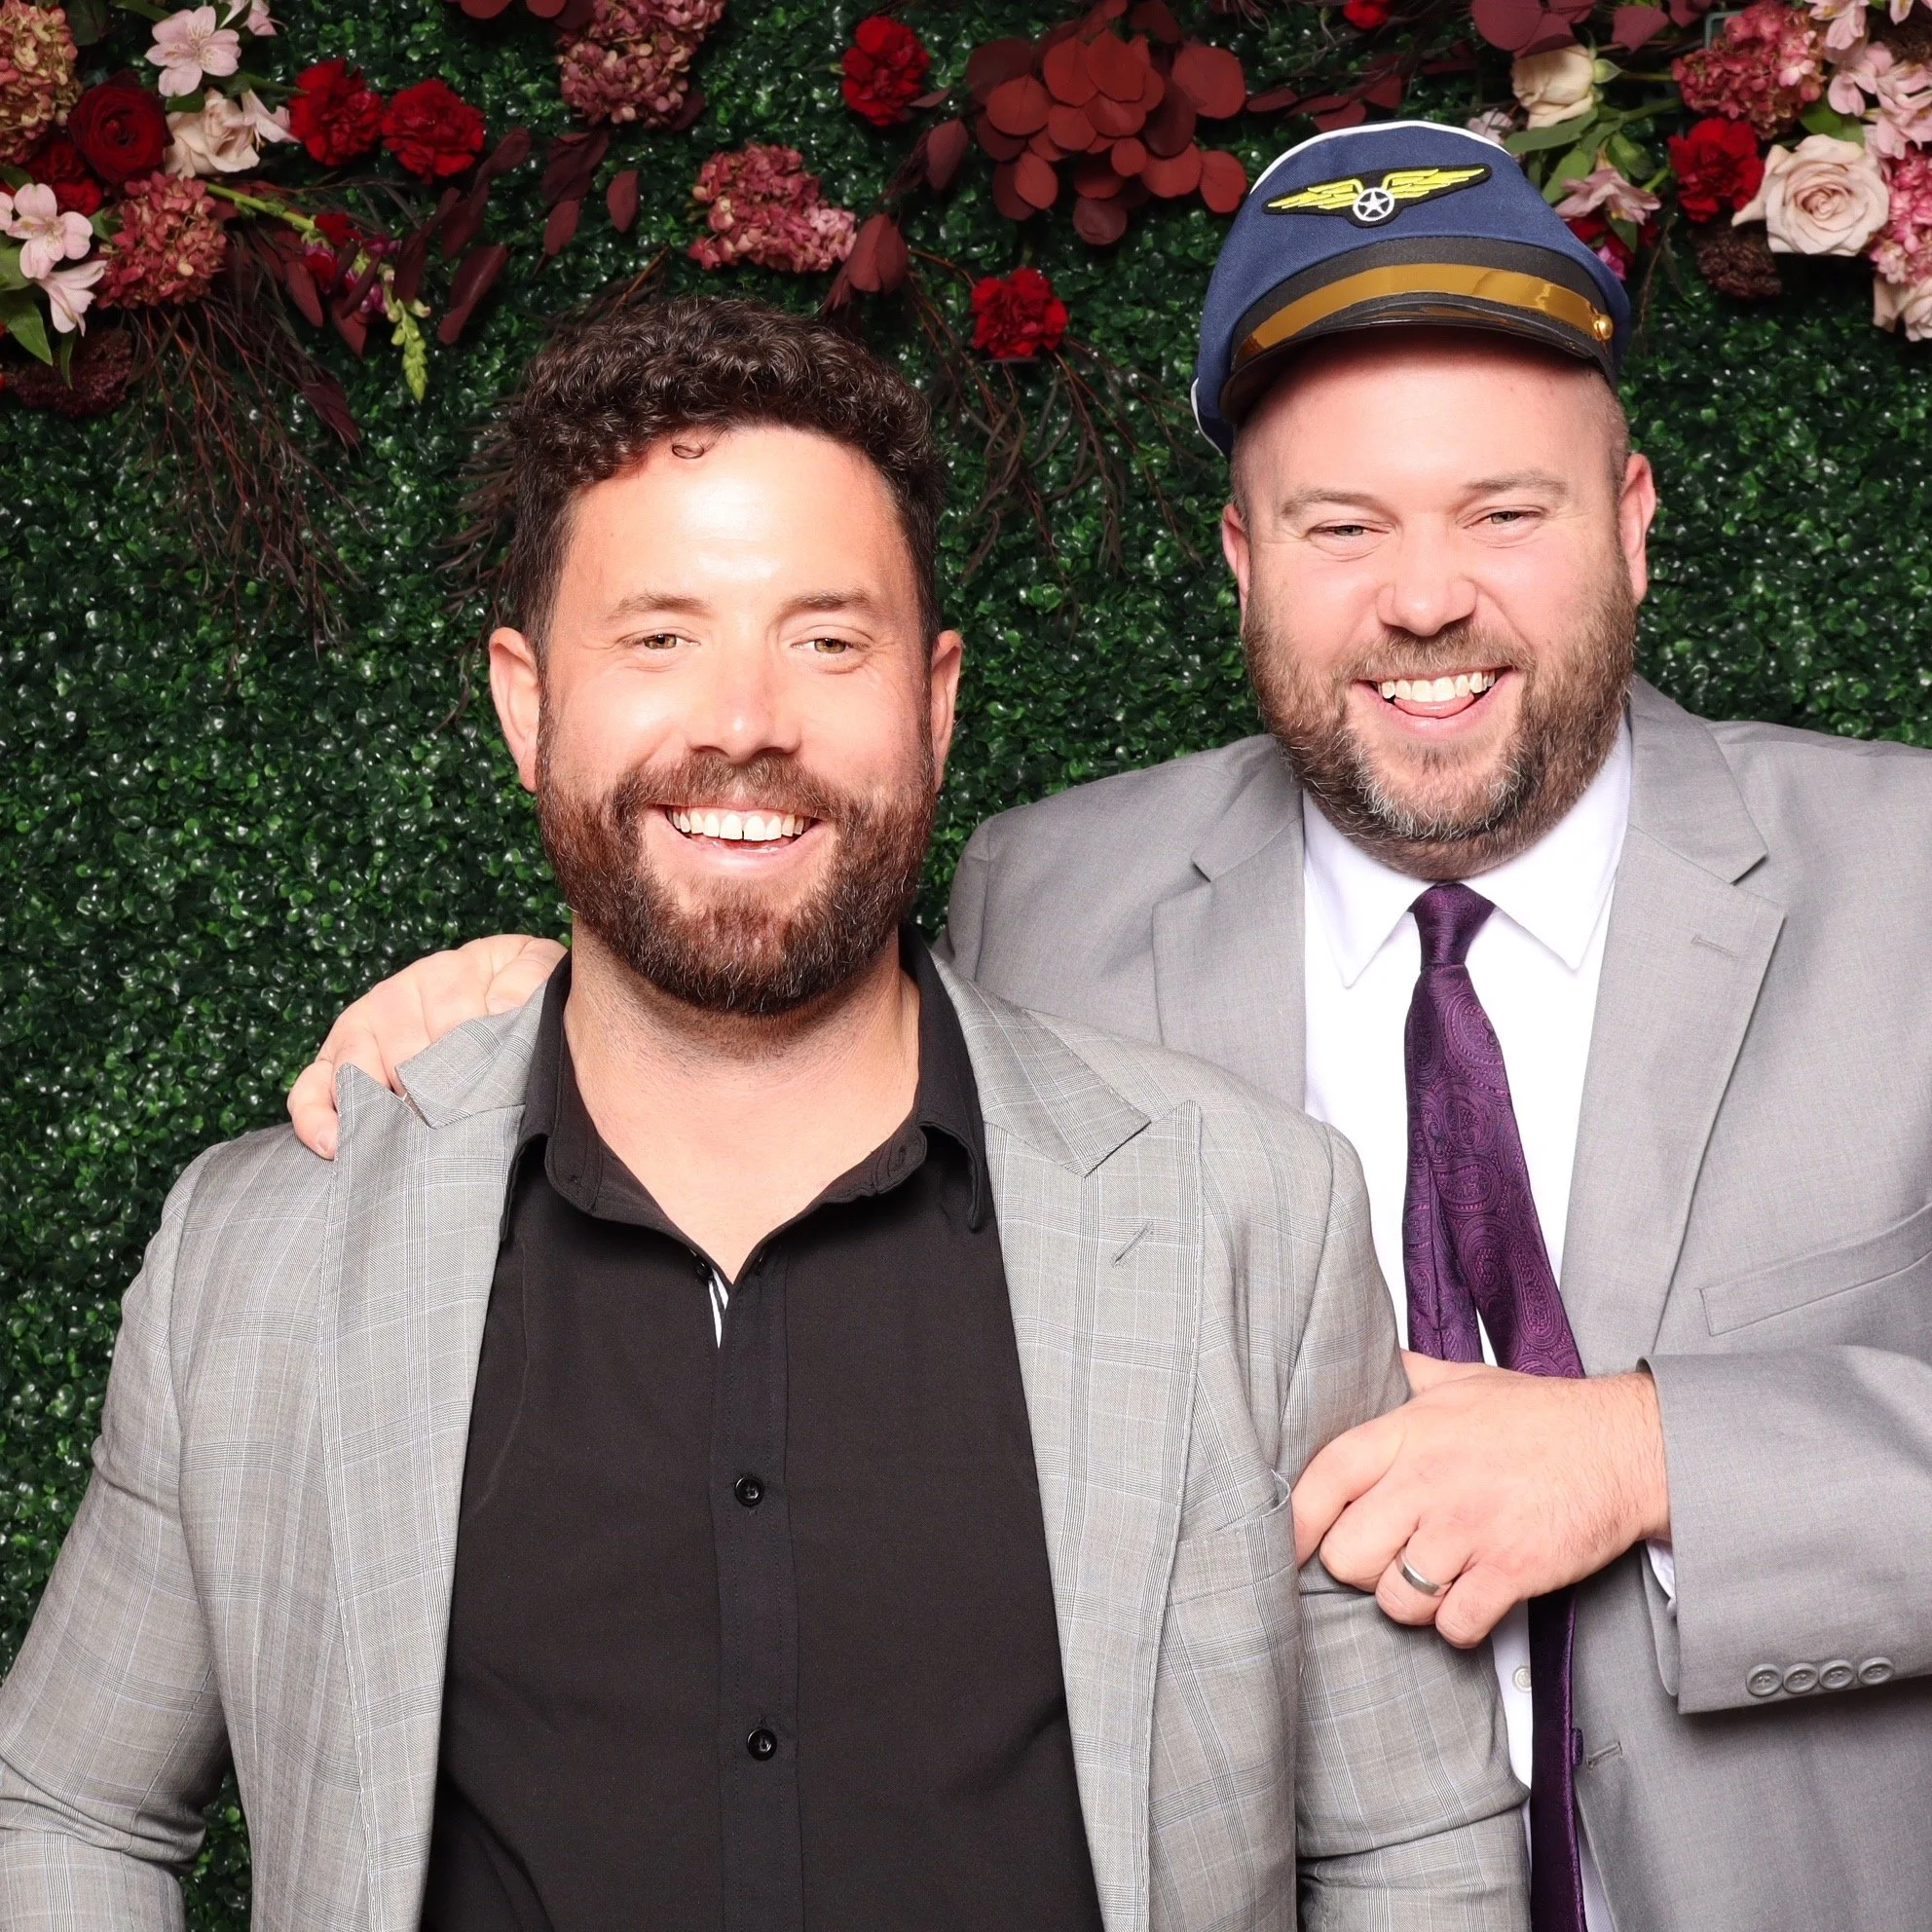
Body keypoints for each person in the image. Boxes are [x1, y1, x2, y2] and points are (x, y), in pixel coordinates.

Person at [297, 126, 1932, 1932]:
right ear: (1239, 558)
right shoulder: (1043, 905)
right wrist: (542, 989)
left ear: (1630, 520)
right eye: (1341, 526)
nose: (1423, 596)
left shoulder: (1906, 878)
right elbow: (768, 969)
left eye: (1504, 512)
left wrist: (1652, 1457)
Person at [0, 297, 1529, 1930]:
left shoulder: (1248, 1215)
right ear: (525, 702)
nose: (746, 720)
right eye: (660, 636)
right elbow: (67, 1803)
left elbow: (1408, 1846)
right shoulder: (265, 1259)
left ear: (936, 702)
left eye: (827, 638)